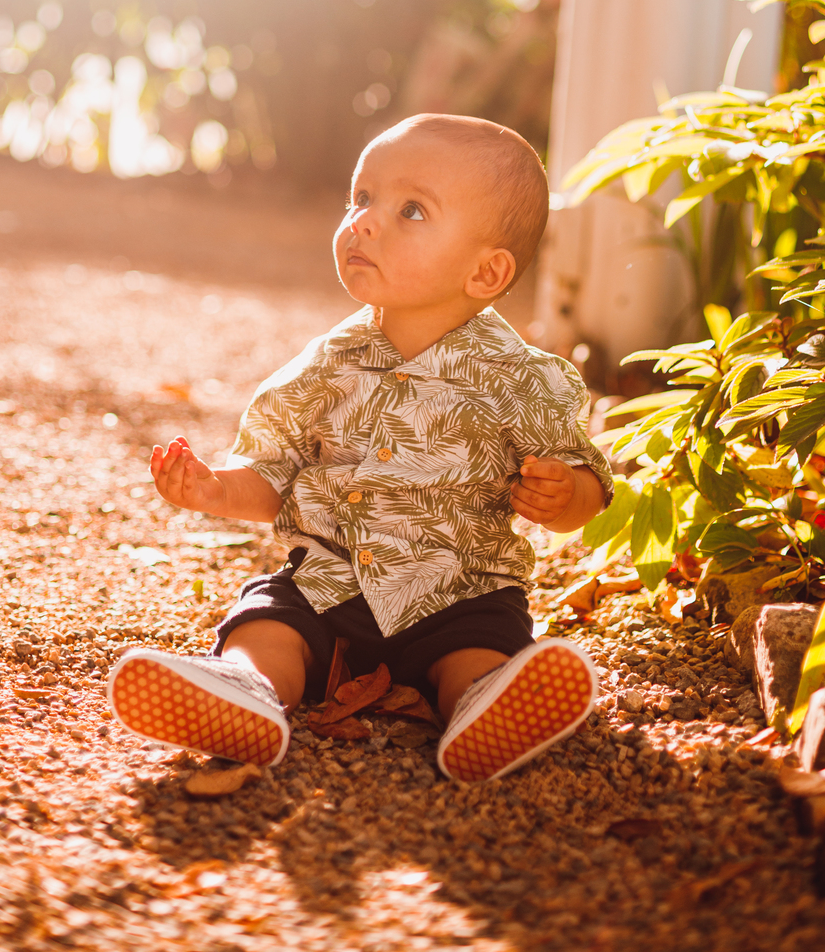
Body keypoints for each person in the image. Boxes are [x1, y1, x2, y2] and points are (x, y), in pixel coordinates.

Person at [107, 113, 612, 783]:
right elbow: (274, 471)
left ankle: (483, 702)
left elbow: (587, 484)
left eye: (410, 210)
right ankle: (247, 689)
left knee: (480, 644)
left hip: (460, 590)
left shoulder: (521, 376)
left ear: (487, 272)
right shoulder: (325, 365)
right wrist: (216, 487)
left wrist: (564, 493)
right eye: (361, 198)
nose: (365, 222)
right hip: (331, 585)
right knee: (270, 618)